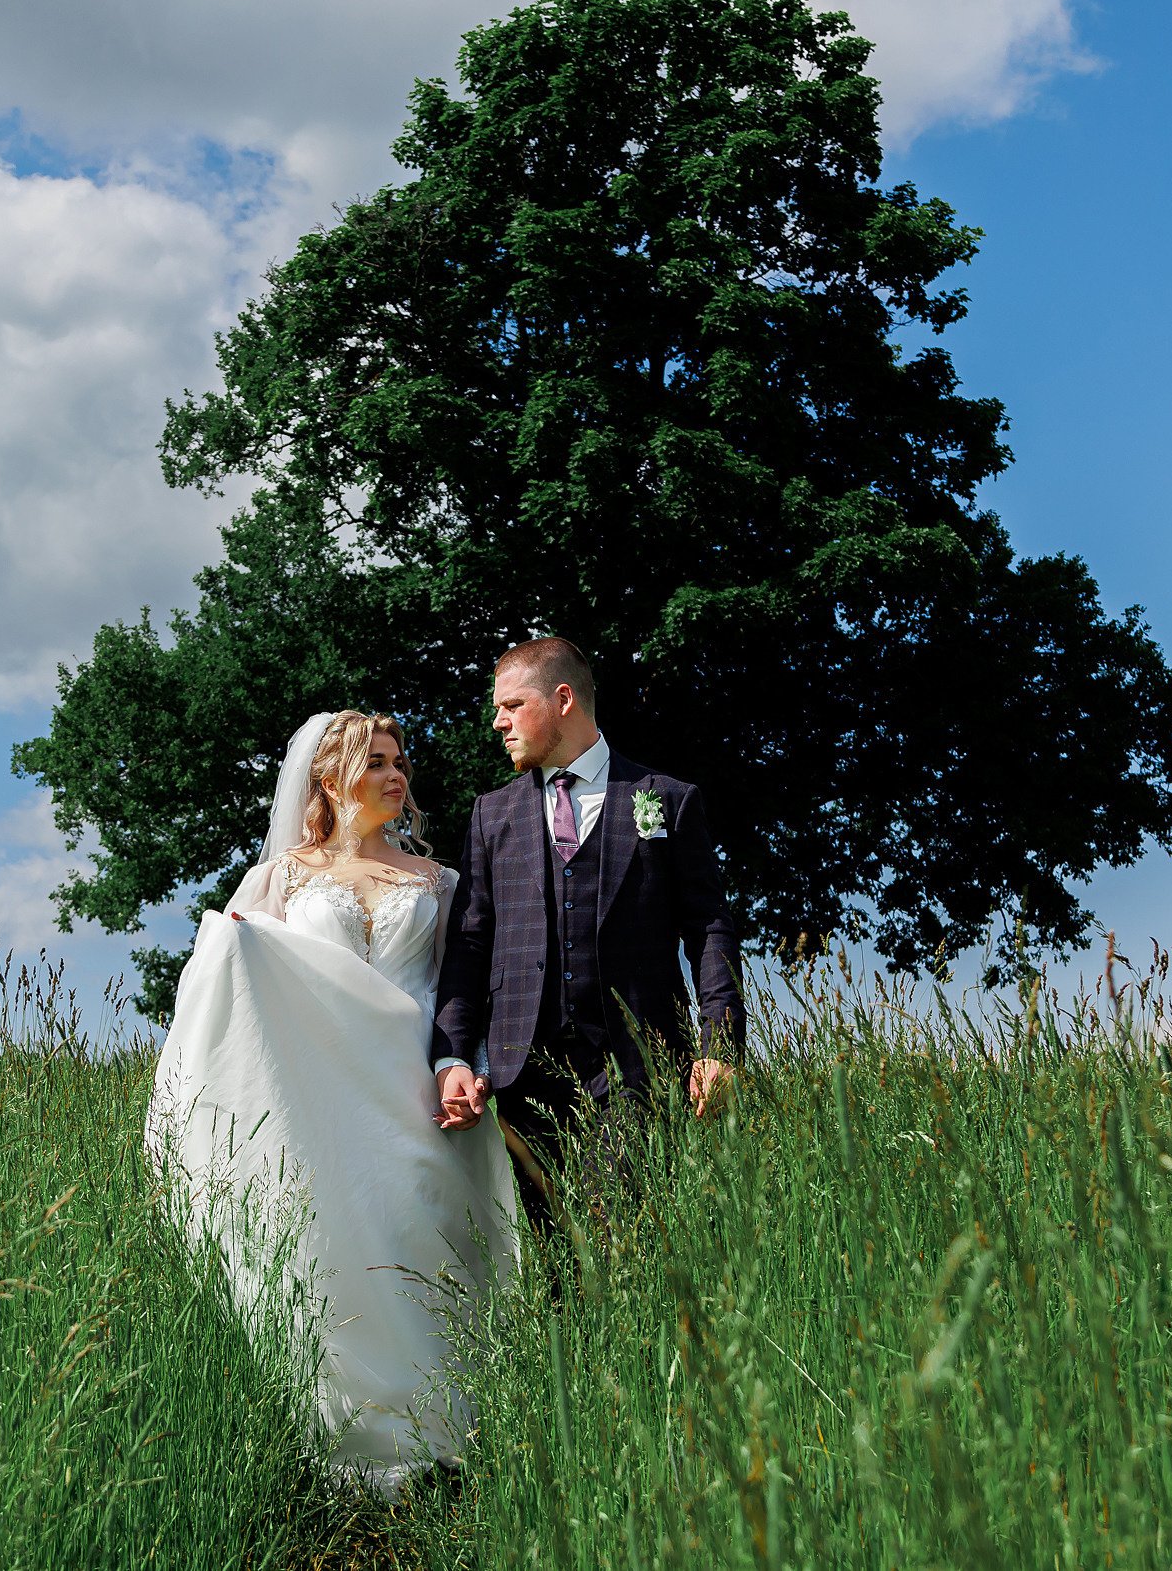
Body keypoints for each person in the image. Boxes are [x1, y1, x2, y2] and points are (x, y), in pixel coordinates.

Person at [143, 711, 515, 1489]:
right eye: (376, 761)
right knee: (336, 1249)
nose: (396, 773)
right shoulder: (284, 879)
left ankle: (446, 1428)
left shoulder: (438, 881)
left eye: (400, 759)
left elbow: (464, 990)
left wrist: (468, 1066)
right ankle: (353, 1439)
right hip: (326, 1099)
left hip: (416, 1086)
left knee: (422, 1241)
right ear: (328, 777)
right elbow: (237, 980)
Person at [432, 638, 744, 1240]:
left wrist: (718, 1046)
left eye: (512, 706)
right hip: (524, 1073)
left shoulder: (667, 800)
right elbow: (471, 944)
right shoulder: (490, 815)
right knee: (552, 1260)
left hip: (639, 1064)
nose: (498, 722)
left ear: (563, 699)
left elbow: (709, 929)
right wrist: (454, 1059)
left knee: (629, 1243)